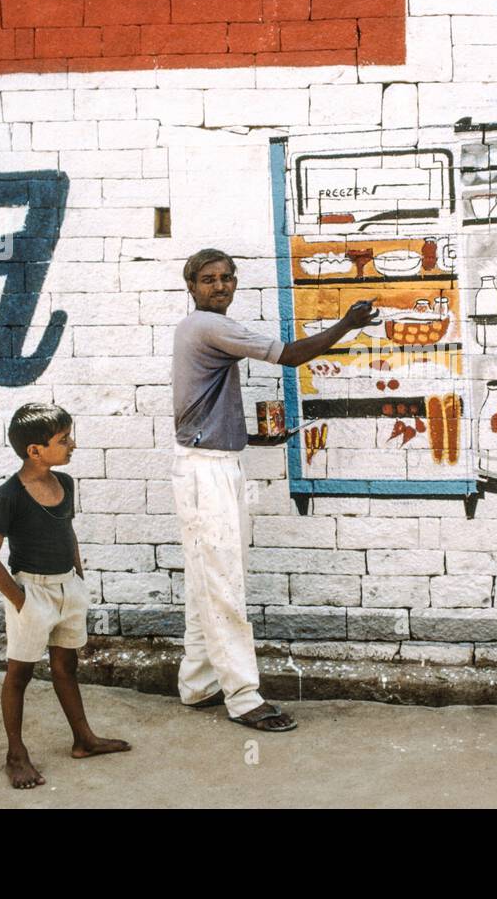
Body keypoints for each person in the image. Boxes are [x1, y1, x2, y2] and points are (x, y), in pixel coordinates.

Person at [173, 248, 377, 732]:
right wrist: (347, 324)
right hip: (207, 473)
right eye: (208, 279)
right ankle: (243, 697)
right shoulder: (208, 326)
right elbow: (291, 356)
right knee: (224, 582)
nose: (219, 286)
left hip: (215, 463)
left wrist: (252, 436)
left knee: (210, 577)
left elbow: (206, 406)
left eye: (226, 278)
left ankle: (198, 683)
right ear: (192, 288)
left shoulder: (198, 329)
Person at [0, 403, 131, 789]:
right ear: (35, 451)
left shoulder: (66, 484)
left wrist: (78, 576)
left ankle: (84, 739)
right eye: (63, 440)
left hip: (68, 589)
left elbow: (68, 530)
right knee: (20, 673)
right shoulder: (8, 496)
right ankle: (15, 755)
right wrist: (21, 601)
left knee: (66, 666)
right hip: (31, 593)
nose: (72, 445)